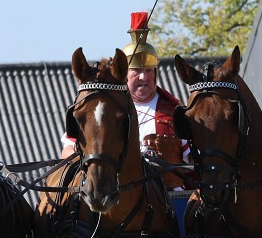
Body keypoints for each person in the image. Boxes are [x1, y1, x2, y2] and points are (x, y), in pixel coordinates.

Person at [60, 11, 193, 191]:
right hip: (115, 196)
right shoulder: (105, 110)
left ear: (156, 73)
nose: (143, 76)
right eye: (136, 71)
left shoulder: (175, 112)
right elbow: (67, 152)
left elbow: (192, 159)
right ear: (124, 74)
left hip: (170, 202)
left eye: (148, 70)